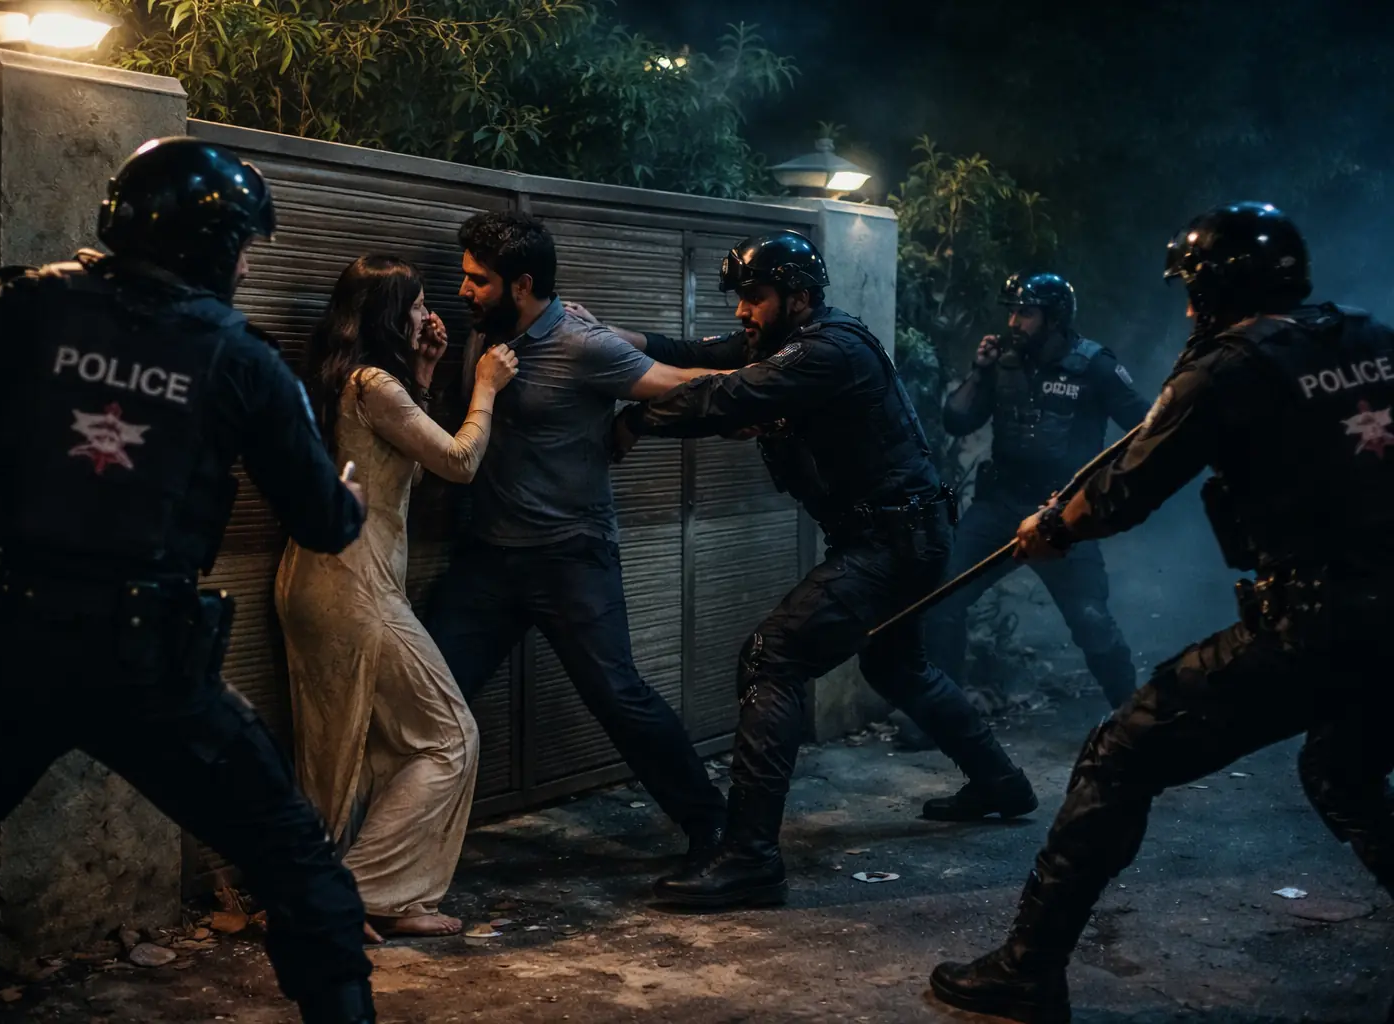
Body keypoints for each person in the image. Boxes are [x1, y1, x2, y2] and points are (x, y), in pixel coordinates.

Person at [0, 138, 376, 1024]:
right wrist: (352, 498)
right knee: (300, 868)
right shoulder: (242, 359)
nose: (248, 266)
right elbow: (326, 522)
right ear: (214, 247)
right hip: (147, 674)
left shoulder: (24, 306)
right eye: (246, 248)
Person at [930, 202, 1394, 1024]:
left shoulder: (1224, 367)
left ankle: (1027, 971)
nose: (1186, 307)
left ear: (1220, 286)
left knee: (1121, 751)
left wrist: (1055, 528)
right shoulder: (1366, 334)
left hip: (1320, 617)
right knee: (1344, 774)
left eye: (1193, 288)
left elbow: (1128, 486)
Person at [603, 230, 1036, 910]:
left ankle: (749, 857)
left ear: (799, 298)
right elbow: (691, 355)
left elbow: (727, 397)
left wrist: (637, 421)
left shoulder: (828, 351)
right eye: (741, 299)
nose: (743, 313)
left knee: (770, 656)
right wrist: (602, 335)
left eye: (756, 299)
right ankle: (1001, 784)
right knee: (897, 667)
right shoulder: (779, 342)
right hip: (897, 534)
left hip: (894, 541)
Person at [422, 211, 730, 860]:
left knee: (619, 698)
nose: (463, 290)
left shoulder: (583, 343)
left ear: (522, 283)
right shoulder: (486, 333)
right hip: (488, 561)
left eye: (478, 280)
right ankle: (386, 860)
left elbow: (681, 384)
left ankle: (719, 832)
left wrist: (785, 381)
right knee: (429, 693)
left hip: (570, 556)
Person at [276, 255, 517, 942]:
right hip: (353, 584)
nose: (427, 314)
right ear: (388, 314)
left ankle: (381, 894)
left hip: (324, 578)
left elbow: (392, 458)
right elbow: (458, 461)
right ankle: (352, 893)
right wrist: (486, 387)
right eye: (414, 305)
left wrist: (429, 374)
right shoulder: (373, 382)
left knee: (363, 746)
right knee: (448, 735)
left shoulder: (349, 379)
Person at [922, 272, 1150, 718]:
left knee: (1091, 622)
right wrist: (979, 370)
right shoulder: (1004, 362)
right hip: (999, 505)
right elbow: (957, 420)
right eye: (1011, 311)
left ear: (1055, 318)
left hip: (1062, 514)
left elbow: (1147, 427)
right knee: (941, 600)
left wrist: (1101, 495)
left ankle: (1136, 719)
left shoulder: (1095, 366)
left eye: (1024, 312)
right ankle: (941, 718)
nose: (1013, 321)